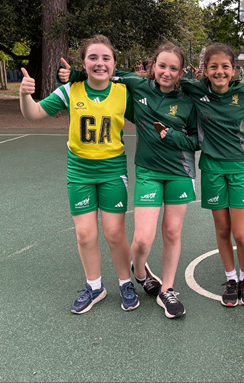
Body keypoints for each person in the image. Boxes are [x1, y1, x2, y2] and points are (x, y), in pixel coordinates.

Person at [59, 43, 198, 318]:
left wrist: (172, 136)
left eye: (173, 68)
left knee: (172, 232)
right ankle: (140, 272)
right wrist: (73, 74)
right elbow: (103, 72)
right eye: (162, 66)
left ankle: (167, 289)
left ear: (181, 72)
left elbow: (197, 140)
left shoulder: (187, 99)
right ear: (152, 66)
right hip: (148, 172)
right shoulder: (137, 85)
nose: (166, 72)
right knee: (142, 241)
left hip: (180, 172)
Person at [20, 35, 138, 314]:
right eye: (93, 58)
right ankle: (95, 287)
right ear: (83, 63)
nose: (100, 63)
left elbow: (149, 119)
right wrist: (25, 95)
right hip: (80, 172)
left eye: (106, 58)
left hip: (112, 171)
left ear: (115, 64)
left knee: (114, 233)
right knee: (85, 235)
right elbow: (33, 114)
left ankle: (125, 282)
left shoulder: (124, 93)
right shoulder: (70, 90)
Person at [180, 43, 244, 307]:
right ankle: (231, 278)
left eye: (225, 66)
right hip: (212, 169)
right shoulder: (195, 90)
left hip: (239, 168)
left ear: (234, 70)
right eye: (213, 66)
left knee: (240, 232)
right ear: (204, 70)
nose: (219, 71)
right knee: (223, 229)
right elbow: (164, 79)